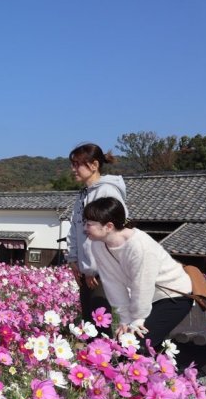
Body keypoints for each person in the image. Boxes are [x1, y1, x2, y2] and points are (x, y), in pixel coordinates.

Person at [83, 197, 192, 350]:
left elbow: (143, 285)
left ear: (108, 226)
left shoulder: (140, 246)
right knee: (128, 345)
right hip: (147, 300)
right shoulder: (97, 245)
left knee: (136, 347)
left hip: (173, 296)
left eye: (89, 224)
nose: (84, 228)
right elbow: (112, 282)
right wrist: (125, 319)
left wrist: (137, 319)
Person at [66, 143, 127, 331]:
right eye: (73, 164)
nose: (73, 169)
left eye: (77, 164)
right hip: (87, 271)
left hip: (101, 272)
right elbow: (75, 229)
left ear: (94, 165)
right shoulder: (84, 194)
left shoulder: (107, 192)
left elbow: (109, 235)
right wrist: (73, 259)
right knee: (89, 324)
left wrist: (94, 267)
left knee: (100, 325)